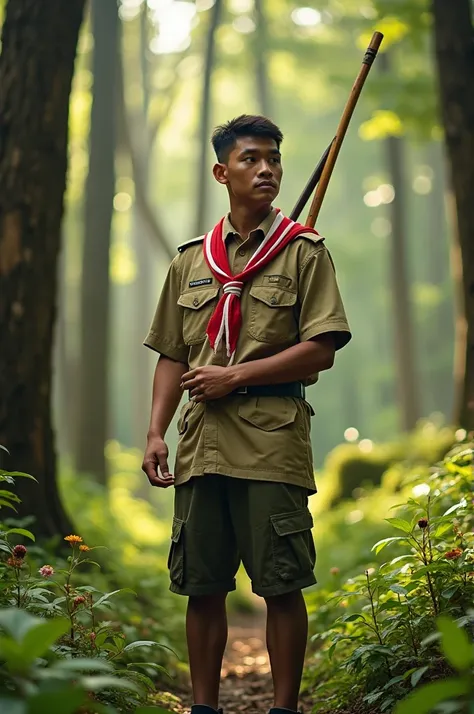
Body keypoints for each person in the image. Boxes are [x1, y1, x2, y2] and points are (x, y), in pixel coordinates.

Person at [142, 114, 351, 714]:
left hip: (272, 439)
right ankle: (204, 706)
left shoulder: (303, 253)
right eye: (251, 159)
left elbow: (322, 349)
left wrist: (236, 375)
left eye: (274, 160)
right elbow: (171, 355)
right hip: (200, 442)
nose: (266, 170)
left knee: (281, 583)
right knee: (201, 584)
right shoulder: (190, 261)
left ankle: (284, 707)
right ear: (221, 172)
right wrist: (156, 431)